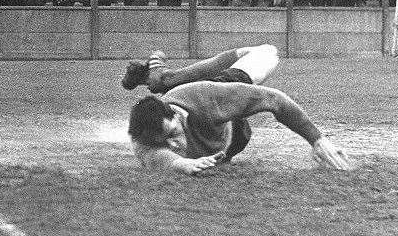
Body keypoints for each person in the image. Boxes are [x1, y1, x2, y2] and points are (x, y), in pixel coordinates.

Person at [122, 45, 350, 174]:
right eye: (163, 142)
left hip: (218, 91)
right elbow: (160, 159)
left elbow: (275, 99)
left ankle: (156, 67)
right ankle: (156, 69)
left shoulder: (208, 98)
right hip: (216, 128)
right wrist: (185, 164)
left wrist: (317, 140)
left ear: (179, 116)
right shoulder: (142, 137)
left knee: (270, 53)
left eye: (172, 134)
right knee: (164, 82)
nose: (173, 145)